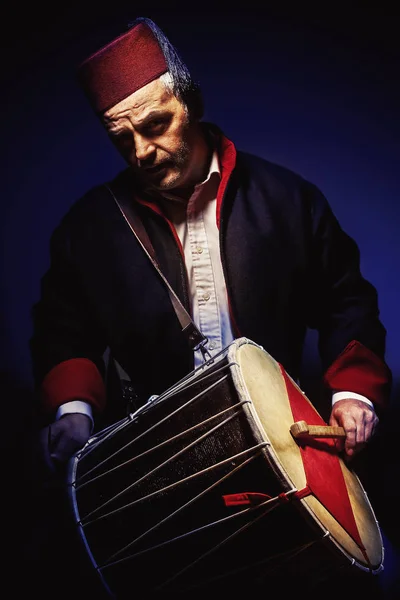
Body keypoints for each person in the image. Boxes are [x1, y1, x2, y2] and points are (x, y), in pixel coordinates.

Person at [27, 15, 393, 600]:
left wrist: (353, 394)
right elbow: (61, 330)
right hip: (159, 463)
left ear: (190, 102)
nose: (142, 151)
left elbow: (347, 301)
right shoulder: (87, 227)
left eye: (155, 124)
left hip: (281, 450)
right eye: (123, 139)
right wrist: (72, 410)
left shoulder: (288, 199)